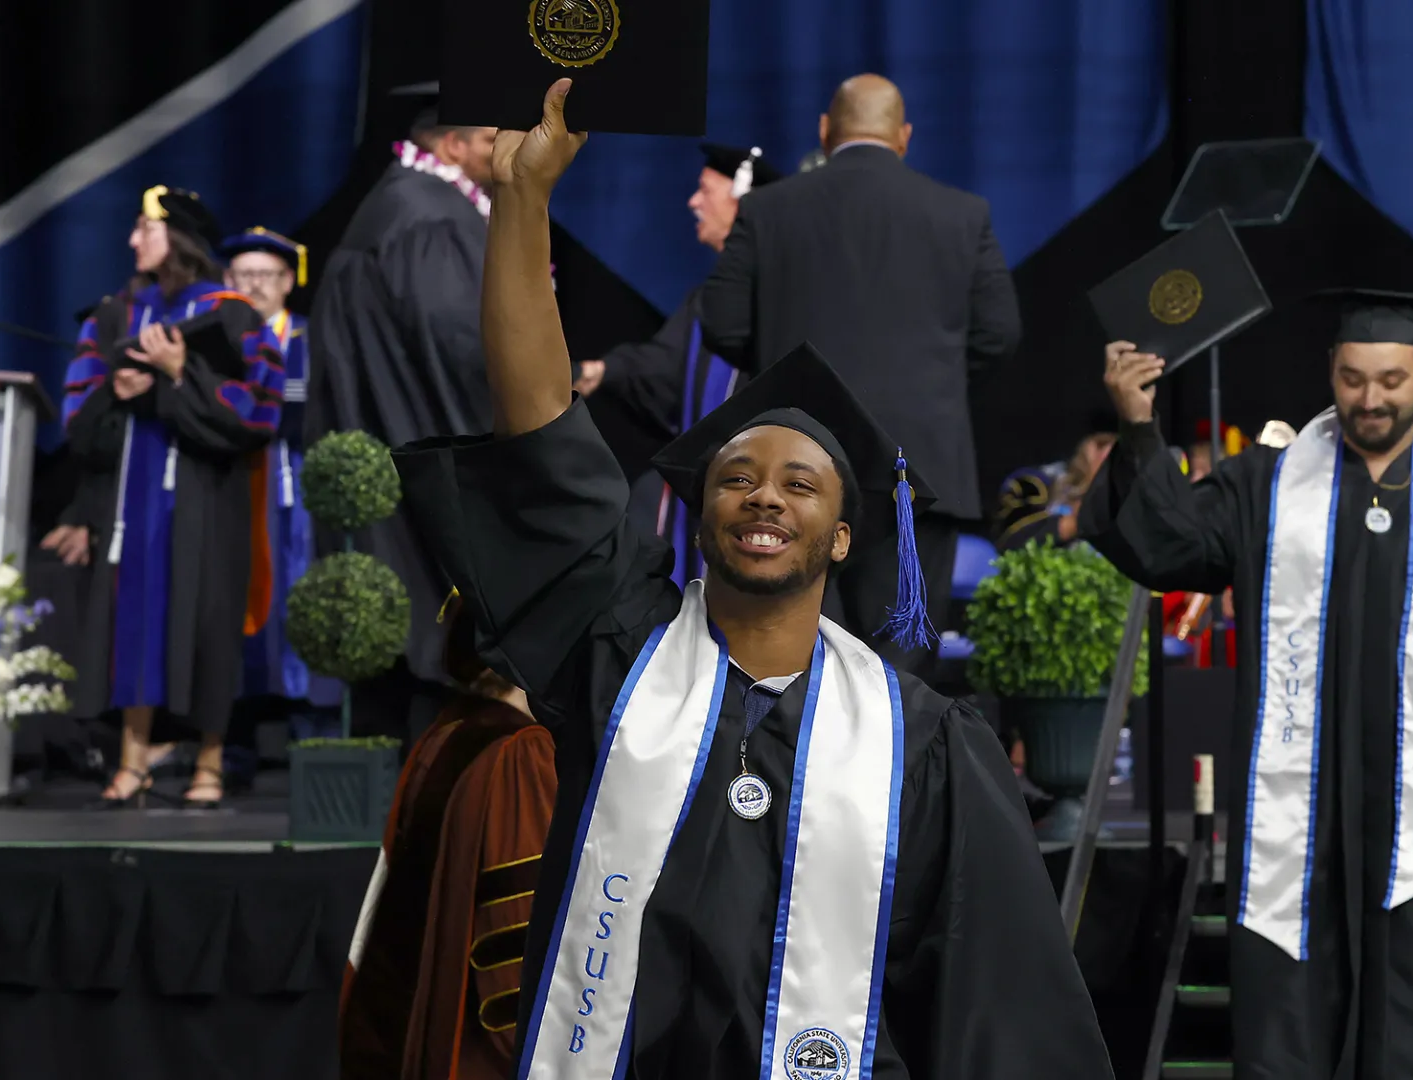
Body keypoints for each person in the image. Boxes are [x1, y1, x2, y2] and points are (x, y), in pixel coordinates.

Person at [390, 81, 1110, 1080]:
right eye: (736, 476)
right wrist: (522, 199)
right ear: (700, 511)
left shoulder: (927, 746)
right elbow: (542, 432)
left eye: (800, 483)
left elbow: (1004, 1011)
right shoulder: (619, 656)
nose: (765, 494)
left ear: (844, 537)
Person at [1081, 294, 1413, 1080]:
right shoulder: (1264, 487)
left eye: (1392, 379)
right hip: (1302, 810)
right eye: (1353, 379)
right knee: (1294, 1007)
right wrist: (1137, 426)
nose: (1371, 398)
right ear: (1330, 373)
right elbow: (1169, 547)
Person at [699, 73, 1022, 673]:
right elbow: (999, 334)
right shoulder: (961, 214)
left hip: (797, 466)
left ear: (826, 131)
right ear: (904, 136)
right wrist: (931, 386)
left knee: (790, 660)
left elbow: (721, 323)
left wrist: (788, 373)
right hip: (914, 474)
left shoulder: (768, 209)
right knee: (899, 673)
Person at [45, 185, 286, 809]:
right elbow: (79, 422)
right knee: (136, 623)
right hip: (134, 504)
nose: (132, 240)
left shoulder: (234, 315)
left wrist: (180, 377)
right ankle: (133, 759)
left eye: (145, 229)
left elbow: (260, 413)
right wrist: (119, 389)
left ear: (177, 237)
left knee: (210, 625)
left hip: (211, 501)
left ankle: (209, 760)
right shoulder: (115, 315)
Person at [308, 89, 499, 741]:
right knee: (434, 625)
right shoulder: (431, 217)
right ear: (452, 145)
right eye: (492, 137)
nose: (507, 149)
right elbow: (462, 347)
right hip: (419, 444)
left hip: (382, 441)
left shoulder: (395, 204)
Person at [341, 591, 555, 1080]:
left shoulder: (449, 729)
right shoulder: (521, 754)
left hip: (410, 1034)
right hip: (481, 1056)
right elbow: (515, 954)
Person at [576, 144, 787, 585]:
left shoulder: (777, 300)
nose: (693, 202)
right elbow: (665, 366)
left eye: (705, 190)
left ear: (741, 202)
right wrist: (605, 371)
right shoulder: (709, 298)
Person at [219, 227, 320, 708]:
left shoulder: (311, 337)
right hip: (231, 480)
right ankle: (237, 710)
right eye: (245, 274)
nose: (256, 284)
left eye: (267, 274)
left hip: (294, 480)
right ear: (227, 280)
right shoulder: (217, 339)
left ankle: (301, 702)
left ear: (287, 281)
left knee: (296, 577)